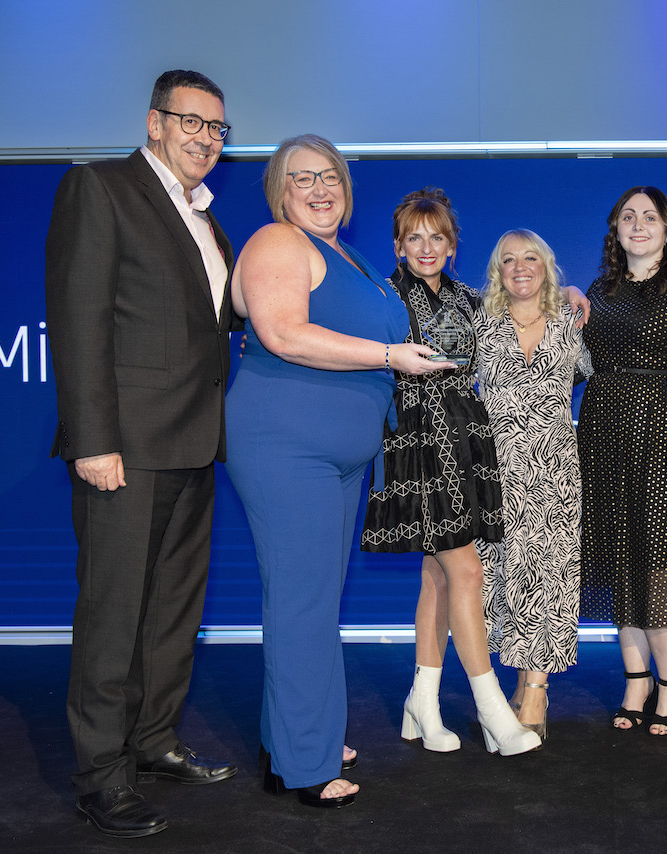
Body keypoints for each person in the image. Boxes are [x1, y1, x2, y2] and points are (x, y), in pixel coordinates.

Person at [225, 135, 446, 808]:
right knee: (304, 603)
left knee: (308, 598)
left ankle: (289, 739)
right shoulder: (277, 243)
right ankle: (307, 765)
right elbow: (283, 333)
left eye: (330, 176)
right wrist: (388, 355)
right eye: (302, 178)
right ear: (278, 191)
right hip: (288, 448)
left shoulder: (346, 257)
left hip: (338, 458)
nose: (320, 187)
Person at [45, 69, 238, 838]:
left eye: (217, 129)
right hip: (125, 450)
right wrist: (94, 442)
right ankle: (101, 775)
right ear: (155, 122)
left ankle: (153, 741)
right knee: (113, 616)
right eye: (191, 122)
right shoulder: (101, 188)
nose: (205, 139)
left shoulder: (208, 220)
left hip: (196, 446)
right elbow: (78, 319)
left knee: (170, 615)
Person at [362, 189, 569, 756]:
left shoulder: (474, 301)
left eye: (438, 237)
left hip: (468, 441)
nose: (426, 248)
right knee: (469, 573)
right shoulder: (378, 296)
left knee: (438, 575)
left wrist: (571, 292)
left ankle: (421, 702)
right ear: (398, 246)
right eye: (414, 238)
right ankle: (493, 710)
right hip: (412, 440)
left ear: (453, 245)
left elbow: (531, 304)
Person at [578, 186, 667, 737]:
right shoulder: (601, 289)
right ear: (615, 228)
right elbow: (582, 362)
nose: (638, 224)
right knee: (622, 561)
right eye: (627, 216)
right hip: (605, 440)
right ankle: (634, 681)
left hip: (665, 440)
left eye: (649, 217)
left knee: (660, 562)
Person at [476, 229, 592, 740]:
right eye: (508, 260)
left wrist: (575, 298)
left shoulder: (571, 318)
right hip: (496, 469)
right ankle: (521, 682)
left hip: (555, 470)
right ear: (496, 271)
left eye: (530, 258)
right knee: (504, 575)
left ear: (547, 265)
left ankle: (537, 689)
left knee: (548, 575)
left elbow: (588, 372)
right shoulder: (480, 322)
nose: (519, 267)